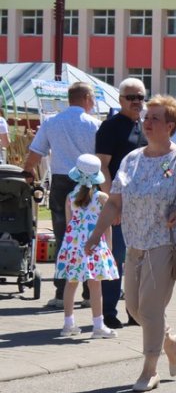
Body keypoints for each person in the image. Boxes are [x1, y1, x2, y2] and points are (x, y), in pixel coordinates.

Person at [86, 96, 176, 392]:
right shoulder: (132, 159)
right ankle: (171, 342)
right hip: (135, 242)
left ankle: (149, 370)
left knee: (151, 308)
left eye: (155, 118)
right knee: (134, 308)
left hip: (165, 242)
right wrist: (96, 234)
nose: (147, 122)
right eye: (147, 117)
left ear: (170, 126)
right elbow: (114, 202)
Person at [22, 82, 101, 308]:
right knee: (89, 235)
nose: (93, 102)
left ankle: (61, 293)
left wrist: (27, 172)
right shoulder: (95, 124)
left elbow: (35, 152)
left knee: (63, 237)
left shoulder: (52, 122)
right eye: (93, 98)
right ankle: (89, 293)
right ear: (86, 98)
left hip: (61, 183)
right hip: (88, 182)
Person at [95, 77, 148, 328]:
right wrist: (112, 204)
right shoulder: (110, 127)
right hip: (119, 204)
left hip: (142, 205)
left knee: (137, 260)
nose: (136, 101)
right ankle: (108, 312)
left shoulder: (146, 126)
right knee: (115, 258)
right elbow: (102, 166)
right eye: (131, 97)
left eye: (140, 97)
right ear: (120, 99)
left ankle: (134, 311)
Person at [56, 154, 119, 340]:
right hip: (94, 244)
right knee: (95, 285)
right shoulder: (102, 198)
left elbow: (69, 223)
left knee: (71, 283)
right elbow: (106, 225)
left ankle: (68, 324)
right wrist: (109, 247)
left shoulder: (70, 197)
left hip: (73, 244)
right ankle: (98, 325)